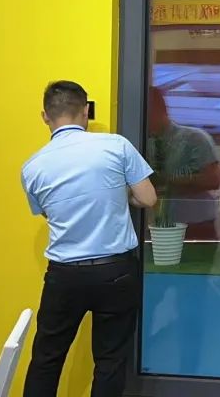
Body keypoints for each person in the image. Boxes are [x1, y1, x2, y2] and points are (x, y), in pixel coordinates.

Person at [21, 81, 158, 397]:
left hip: (64, 275)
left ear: (45, 116)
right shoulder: (116, 146)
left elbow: (49, 213)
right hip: (116, 271)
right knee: (110, 361)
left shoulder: (32, 167)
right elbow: (148, 198)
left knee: (46, 359)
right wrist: (120, 196)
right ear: (85, 111)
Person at [146, 86, 220, 243]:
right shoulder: (142, 144)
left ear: (158, 109)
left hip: (196, 226)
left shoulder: (194, 139)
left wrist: (168, 180)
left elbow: (213, 180)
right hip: (156, 226)